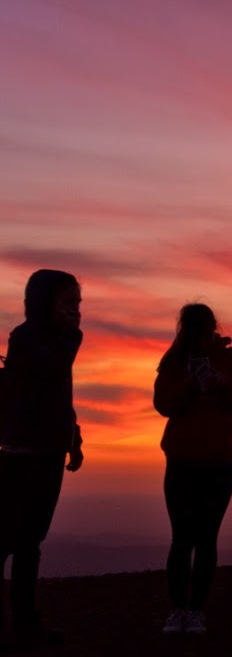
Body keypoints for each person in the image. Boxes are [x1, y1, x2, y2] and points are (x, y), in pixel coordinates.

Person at [153, 303, 232, 636]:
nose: (200, 334)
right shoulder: (173, 362)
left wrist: (221, 382)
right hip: (182, 462)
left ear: (213, 326)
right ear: (185, 329)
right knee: (183, 538)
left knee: (205, 538)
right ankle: (178, 610)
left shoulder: (231, 359)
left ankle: (196, 610)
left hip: (219, 461)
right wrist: (189, 383)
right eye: (194, 327)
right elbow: (163, 405)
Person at [0, 269, 85, 650]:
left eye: (78, 304)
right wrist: (71, 335)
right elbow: (51, 371)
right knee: (10, 541)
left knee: (29, 541)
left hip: (48, 452)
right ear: (43, 302)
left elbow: (59, 397)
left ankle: (24, 624)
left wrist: (74, 438)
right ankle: (17, 625)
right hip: (20, 455)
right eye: (67, 303)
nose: (75, 311)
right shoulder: (27, 339)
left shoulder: (55, 339)